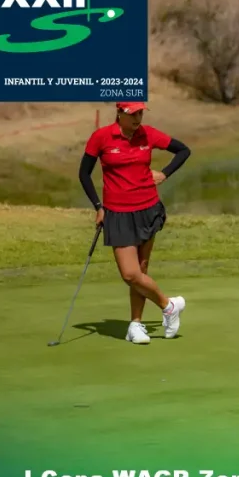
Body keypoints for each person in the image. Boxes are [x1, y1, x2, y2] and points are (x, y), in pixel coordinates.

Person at [78, 102, 192, 344]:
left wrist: (165, 173)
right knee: (130, 274)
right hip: (117, 213)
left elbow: (183, 151)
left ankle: (136, 325)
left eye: (140, 113)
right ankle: (169, 305)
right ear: (119, 113)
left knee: (142, 269)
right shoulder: (101, 137)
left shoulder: (148, 134)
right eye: (132, 114)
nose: (138, 118)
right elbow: (84, 174)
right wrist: (98, 207)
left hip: (148, 208)